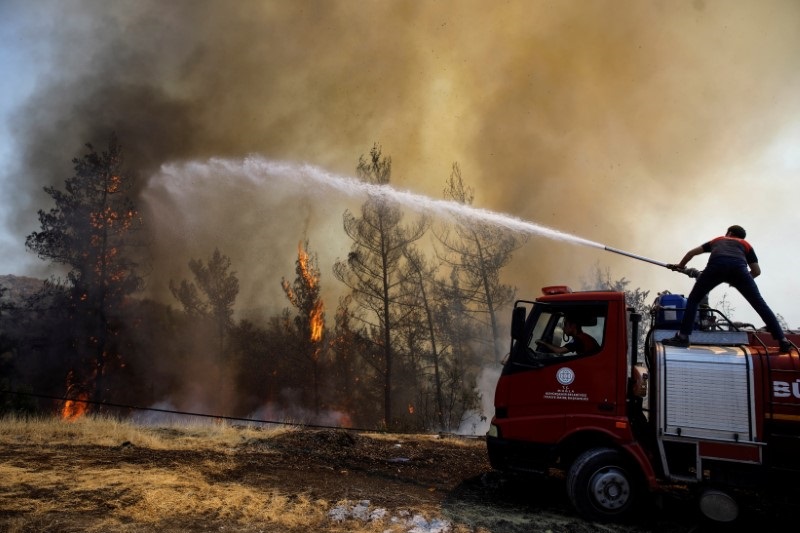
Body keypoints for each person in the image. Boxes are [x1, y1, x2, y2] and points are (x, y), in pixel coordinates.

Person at [662, 224, 793, 353]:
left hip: (716, 268)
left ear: (729, 233)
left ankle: (683, 337)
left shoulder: (718, 240)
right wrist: (740, 281)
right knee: (760, 305)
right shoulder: (746, 245)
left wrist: (680, 266)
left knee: (694, 300)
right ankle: (783, 341)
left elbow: (691, 253)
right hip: (740, 272)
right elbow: (756, 271)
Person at [536, 316, 601, 355]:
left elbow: (560, 351)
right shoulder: (584, 337)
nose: (563, 328)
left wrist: (543, 343)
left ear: (573, 326)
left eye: (565, 325)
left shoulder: (579, 339)